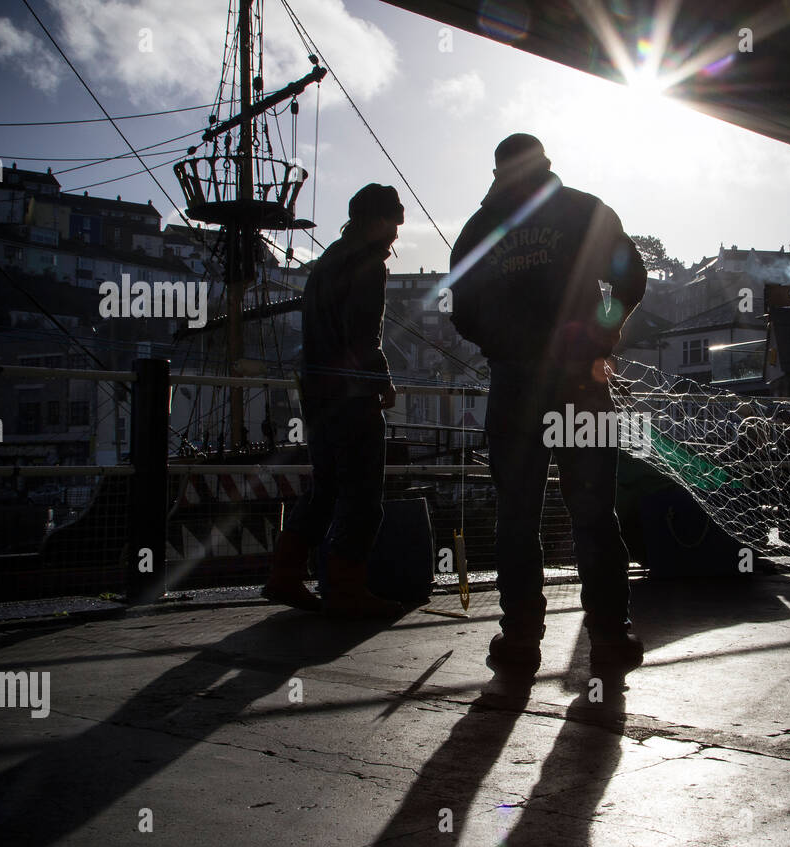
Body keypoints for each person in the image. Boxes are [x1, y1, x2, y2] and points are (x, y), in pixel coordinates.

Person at [449, 134, 647, 671]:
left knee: (516, 515)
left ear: (498, 172)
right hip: (581, 384)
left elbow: (459, 309)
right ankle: (609, 637)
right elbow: (634, 277)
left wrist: (503, 341)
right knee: (594, 514)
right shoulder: (585, 210)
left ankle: (519, 641)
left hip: (515, 387)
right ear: (546, 165)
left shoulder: (477, 229)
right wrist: (601, 335)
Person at [262, 183, 404, 617]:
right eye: (394, 224)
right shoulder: (367, 265)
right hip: (351, 393)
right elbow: (364, 336)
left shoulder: (323, 264)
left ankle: (284, 574)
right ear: (378, 221)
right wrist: (382, 382)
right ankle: (347, 588)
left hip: (317, 390)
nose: (396, 235)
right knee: (363, 496)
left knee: (324, 489)